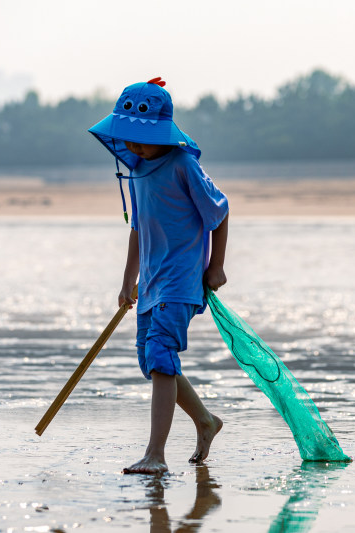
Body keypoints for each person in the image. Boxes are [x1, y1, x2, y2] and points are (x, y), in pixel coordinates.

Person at [88, 78, 228, 474]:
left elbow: (220, 211)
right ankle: (205, 420)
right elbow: (138, 228)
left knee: (162, 358)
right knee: (150, 361)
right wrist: (127, 280)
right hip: (150, 282)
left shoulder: (184, 165)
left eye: (141, 139)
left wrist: (216, 266)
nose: (133, 146)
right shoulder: (138, 169)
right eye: (127, 138)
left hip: (180, 280)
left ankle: (156, 455)